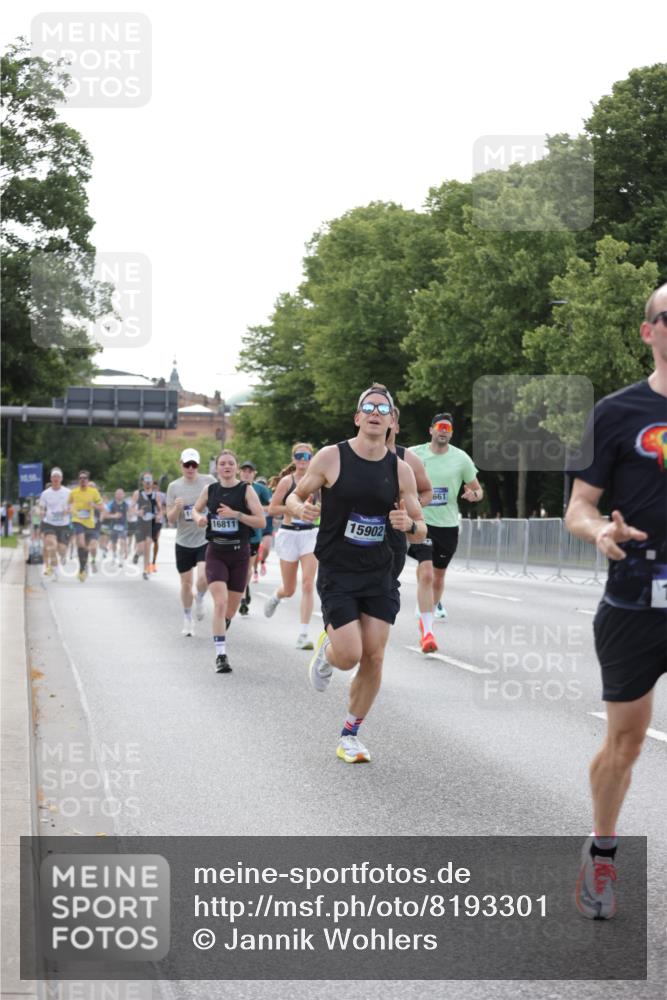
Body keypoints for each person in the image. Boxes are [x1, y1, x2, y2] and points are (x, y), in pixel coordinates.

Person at [565, 282, 667, 920]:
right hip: (634, 598)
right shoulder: (615, 411)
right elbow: (579, 506)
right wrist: (599, 530)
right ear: (649, 330)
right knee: (626, 742)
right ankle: (603, 850)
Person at [287, 386, 426, 763]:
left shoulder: (400, 470)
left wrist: (409, 525)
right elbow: (294, 496)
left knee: (374, 656)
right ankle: (328, 650)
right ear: (357, 417)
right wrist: (299, 509)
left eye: (383, 408)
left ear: (392, 420)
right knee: (349, 656)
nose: (375, 412)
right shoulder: (331, 457)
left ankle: (350, 735)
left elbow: (421, 528)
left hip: (380, 572)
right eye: (368, 406)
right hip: (338, 570)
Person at [409, 413, 483, 652]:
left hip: (448, 525)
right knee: (426, 573)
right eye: (440, 426)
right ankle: (428, 632)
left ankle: (427, 613)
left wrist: (473, 495)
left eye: (448, 428)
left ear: (451, 434)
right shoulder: (414, 454)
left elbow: (477, 490)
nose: (443, 431)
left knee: (438, 577)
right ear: (431, 430)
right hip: (421, 521)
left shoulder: (461, 459)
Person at [193, 450, 265, 673]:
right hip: (216, 552)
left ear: (236, 467)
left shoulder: (246, 490)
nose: (226, 466)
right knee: (220, 602)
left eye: (230, 463)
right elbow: (195, 509)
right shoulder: (210, 489)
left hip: (240, 554)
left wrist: (236, 515)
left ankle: (220, 629)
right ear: (217, 468)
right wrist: (199, 518)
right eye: (222, 463)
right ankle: (221, 656)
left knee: (230, 610)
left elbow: (261, 521)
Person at [264, 443, 320, 650]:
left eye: (307, 456)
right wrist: (296, 509)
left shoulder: (319, 481)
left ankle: (303, 634)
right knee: (289, 589)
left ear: (312, 459)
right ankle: (277, 596)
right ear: (293, 458)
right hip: (289, 534)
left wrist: (317, 510)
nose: (303, 459)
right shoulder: (288, 481)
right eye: (299, 455)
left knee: (308, 583)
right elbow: (272, 509)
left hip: (310, 534)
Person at [166, 448, 215, 637]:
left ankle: (200, 598)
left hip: (204, 539)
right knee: (186, 584)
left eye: (194, 465)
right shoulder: (174, 487)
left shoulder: (208, 481)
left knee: (204, 578)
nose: (190, 468)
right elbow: (170, 519)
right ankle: (187, 618)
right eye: (187, 464)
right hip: (183, 541)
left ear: (198, 465)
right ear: (181, 465)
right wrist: (177, 508)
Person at [385, 402, 433, 584]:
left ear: (396, 427)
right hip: (358, 537)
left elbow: (427, 491)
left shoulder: (409, 459)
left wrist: (411, 507)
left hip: (394, 535)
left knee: (386, 588)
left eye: (390, 420)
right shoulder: (352, 454)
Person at [237, 461, 272, 613]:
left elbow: (272, 507)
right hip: (235, 534)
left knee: (247, 568)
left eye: (249, 471)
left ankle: (243, 594)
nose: (246, 474)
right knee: (237, 568)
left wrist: (257, 509)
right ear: (239, 472)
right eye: (244, 471)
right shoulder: (233, 487)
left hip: (253, 535)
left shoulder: (260, 489)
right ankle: (243, 594)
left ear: (254, 474)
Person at [68, 471, 104, 582]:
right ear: (78, 480)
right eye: (81, 478)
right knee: (81, 542)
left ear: (88, 480)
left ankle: (83, 566)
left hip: (90, 523)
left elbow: (101, 507)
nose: (83, 479)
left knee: (88, 547)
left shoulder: (94, 492)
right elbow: (69, 504)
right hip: (77, 520)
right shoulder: (73, 492)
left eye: (85, 478)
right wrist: (72, 509)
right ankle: (82, 569)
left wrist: (93, 505)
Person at [39, 467, 71, 580]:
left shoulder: (68, 492)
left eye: (58, 476)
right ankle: (55, 569)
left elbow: (73, 506)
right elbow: (41, 507)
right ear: (51, 479)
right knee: (51, 545)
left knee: (62, 549)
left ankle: (63, 555)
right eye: (54, 477)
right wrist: (41, 512)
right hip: (50, 523)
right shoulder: (45, 493)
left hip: (64, 524)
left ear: (61, 479)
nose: (56, 478)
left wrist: (68, 511)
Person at [131, 472, 162, 580]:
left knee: (148, 546)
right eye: (146, 481)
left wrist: (159, 515)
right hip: (140, 523)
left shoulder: (156, 494)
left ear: (152, 482)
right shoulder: (137, 493)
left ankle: (145, 570)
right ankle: (137, 554)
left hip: (151, 523)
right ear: (142, 482)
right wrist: (137, 512)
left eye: (150, 481)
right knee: (141, 548)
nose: (148, 483)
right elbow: (131, 508)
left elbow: (160, 509)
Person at [105, 488, 129, 565]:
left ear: (124, 495)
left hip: (123, 526)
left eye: (121, 494)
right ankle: (114, 555)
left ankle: (120, 557)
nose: (119, 495)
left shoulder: (126, 504)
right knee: (114, 542)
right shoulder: (111, 504)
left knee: (122, 541)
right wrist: (114, 516)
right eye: (118, 494)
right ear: (115, 495)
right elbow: (106, 515)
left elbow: (130, 513)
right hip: (113, 526)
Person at [256, 477, 274, 577]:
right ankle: (255, 571)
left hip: (268, 524)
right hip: (256, 525)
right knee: (255, 551)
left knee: (266, 547)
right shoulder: (253, 495)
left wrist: (261, 509)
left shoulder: (269, 494)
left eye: (264, 485)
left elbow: (273, 507)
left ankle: (263, 561)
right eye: (260, 485)